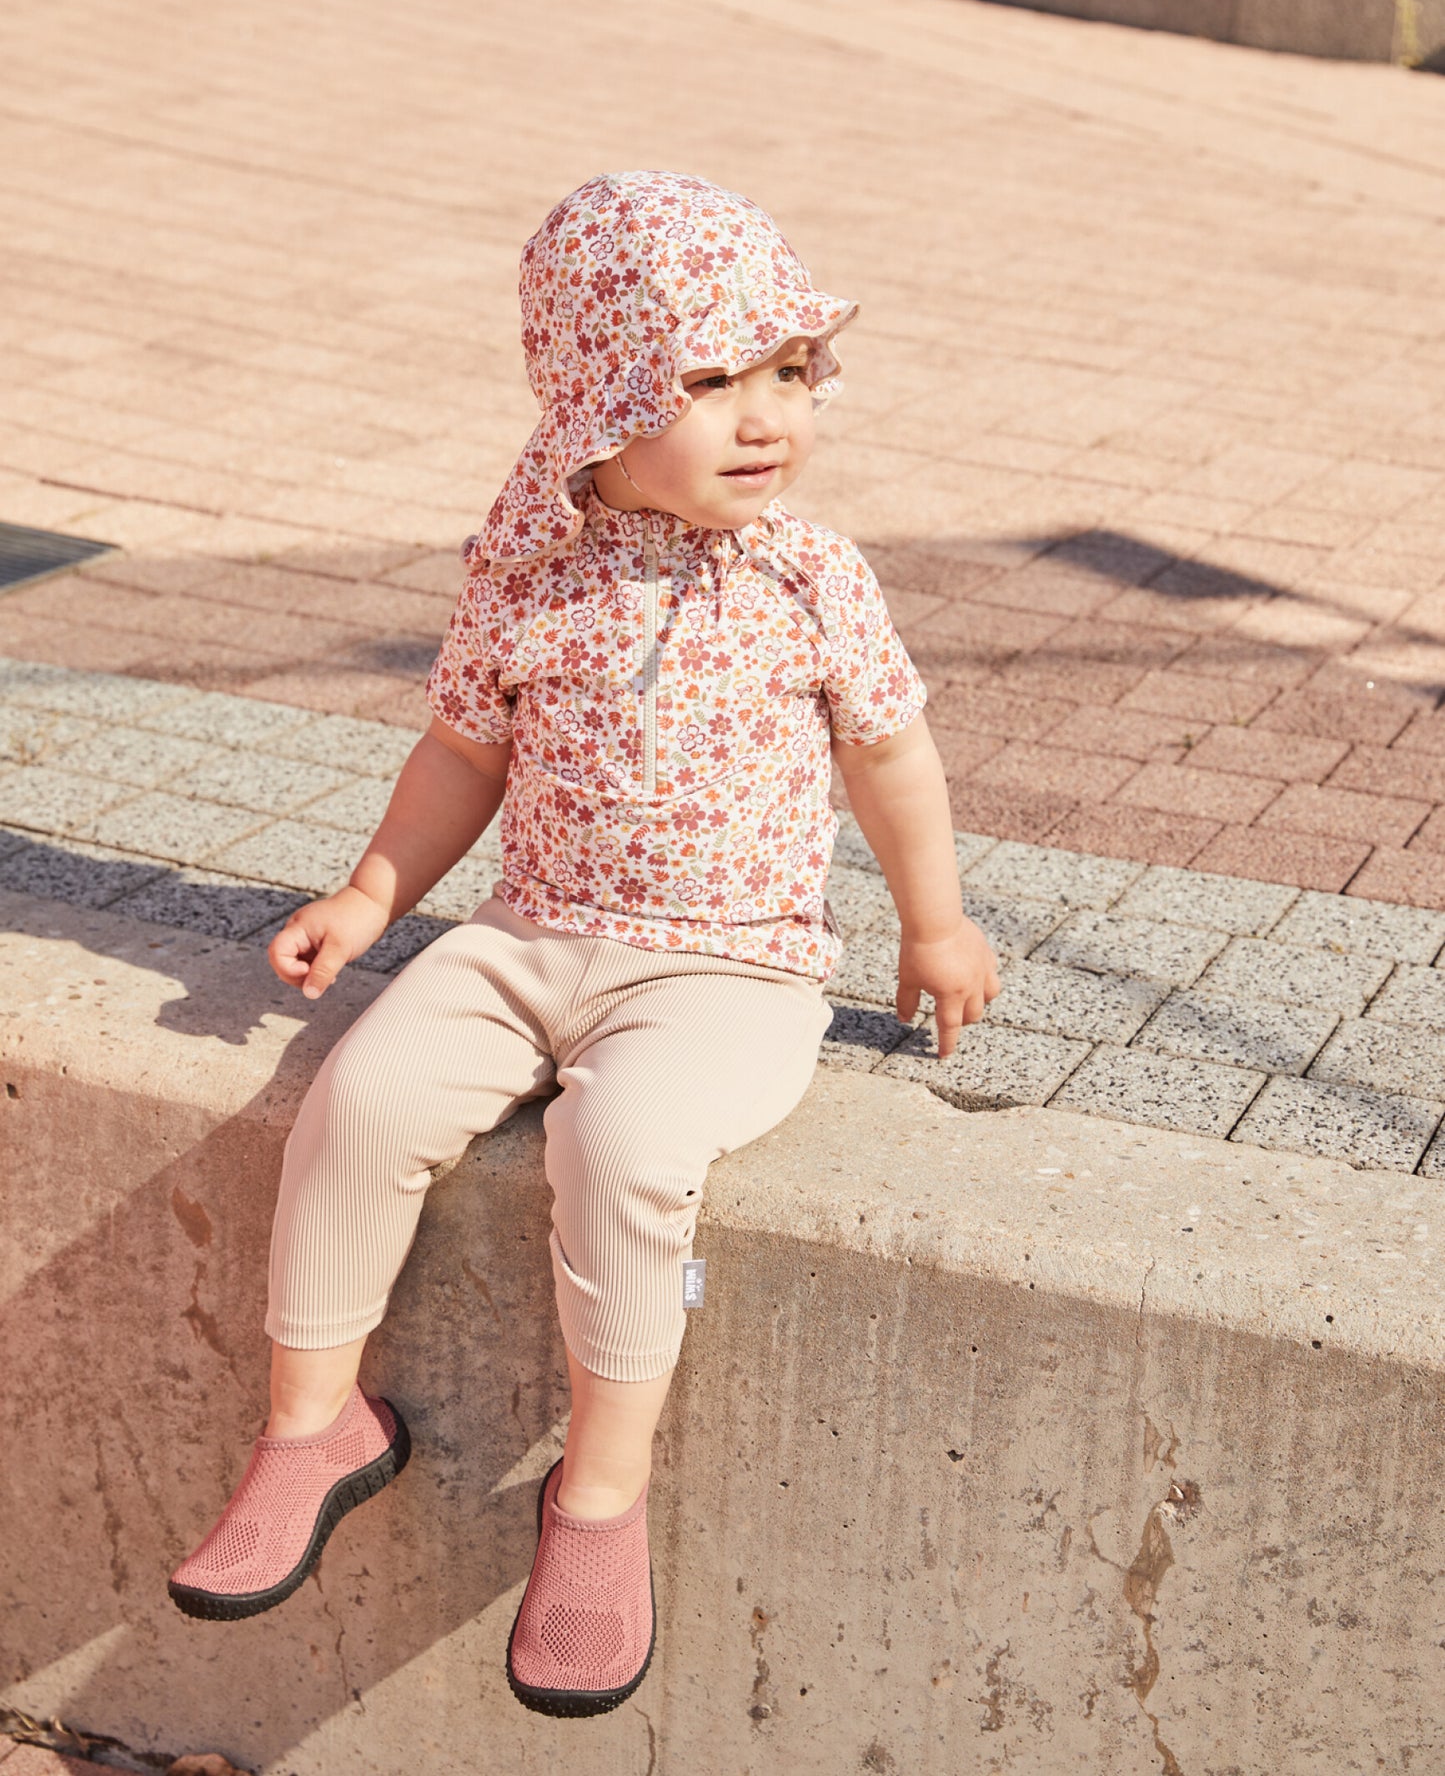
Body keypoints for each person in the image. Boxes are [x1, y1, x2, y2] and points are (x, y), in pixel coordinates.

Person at [166, 172, 1000, 1718]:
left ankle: (597, 1500)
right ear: (599, 405)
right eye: (710, 382)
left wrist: (932, 921)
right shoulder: (526, 573)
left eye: (788, 374)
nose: (766, 418)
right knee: (362, 1098)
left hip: (727, 970)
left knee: (621, 1152)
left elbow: (890, 755)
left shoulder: (811, 577)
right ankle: (312, 1423)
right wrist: (368, 898)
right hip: (528, 936)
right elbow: (461, 754)